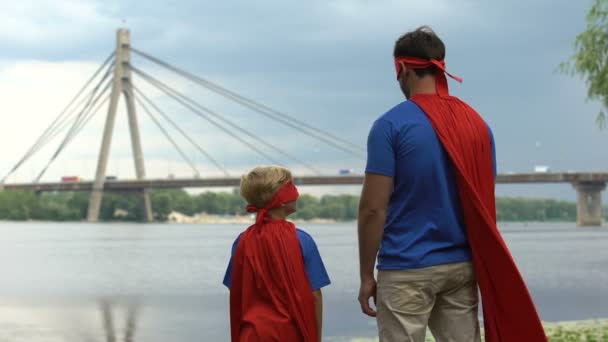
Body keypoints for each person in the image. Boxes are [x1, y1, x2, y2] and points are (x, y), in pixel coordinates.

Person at [357, 26, 547, 342]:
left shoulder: (390, 126)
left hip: (406, 268)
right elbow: (482, 196)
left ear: (402, 69)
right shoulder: (477, 124)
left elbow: (373, 209)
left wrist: (366, 276)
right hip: (461, 266)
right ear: (439, 65)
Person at [223, 166, 330, 342]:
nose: (297, 193)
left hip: (251, 335)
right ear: (281, 199)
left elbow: (236, 289)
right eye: (291, 187)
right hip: (291, 334)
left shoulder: (241, 241)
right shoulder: (302, 240)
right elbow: (315, 295)